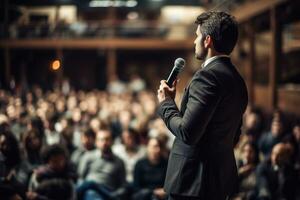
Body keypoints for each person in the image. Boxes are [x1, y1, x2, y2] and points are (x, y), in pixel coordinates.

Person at [157, 11, 248, 200]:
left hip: (193, 183)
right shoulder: (237, 80)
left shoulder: (207, 76)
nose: (194, 41)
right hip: (219, 180)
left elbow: (187, 132)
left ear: (207, 41)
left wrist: (166, 103)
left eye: (197, 36)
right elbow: (234, 134)